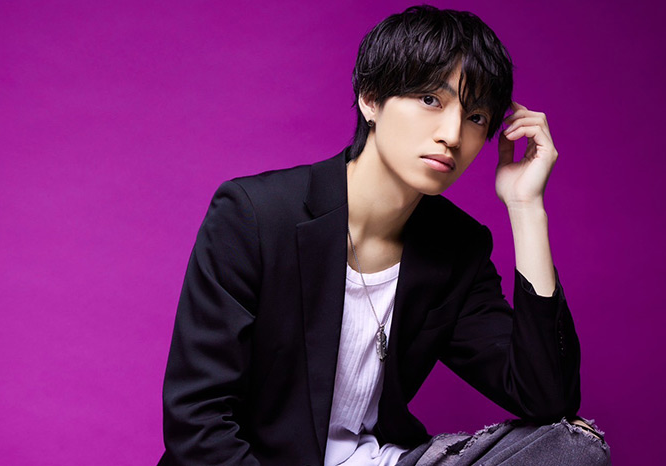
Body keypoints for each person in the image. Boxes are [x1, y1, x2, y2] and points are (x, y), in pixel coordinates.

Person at [158, 5, 611, 465]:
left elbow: (546, 398)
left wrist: (526, 207)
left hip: (384, 459)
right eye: (431, 99)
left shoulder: (457, 248)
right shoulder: (255, 215)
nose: (452, 135)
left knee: (573, 447)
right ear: (371, 99)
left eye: (475, 116)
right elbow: (198, 420)